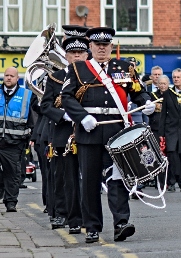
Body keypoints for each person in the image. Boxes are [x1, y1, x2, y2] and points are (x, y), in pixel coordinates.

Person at [61, 27, 155, 243]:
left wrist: (146, 102)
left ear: (111, 47)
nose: (101, 48)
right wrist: (81, 116)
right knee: (91, 181)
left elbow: (138, 91)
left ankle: (121, 223)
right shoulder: (78, 68)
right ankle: (92, 227)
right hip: (89, 131)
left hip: (117, 132)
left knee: (118, 179)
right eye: (97, 45)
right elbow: (66, 97)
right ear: (90, 47)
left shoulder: (125, 67)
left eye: (106, 45)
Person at [40, 30, 89, 233]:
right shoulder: (56, 77)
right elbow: (45, 105)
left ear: (87, 55)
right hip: (62, 133)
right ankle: (61, 214)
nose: (76, 56)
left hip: (87, 132)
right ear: (66, 56)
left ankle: (84, 215)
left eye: (80, 53)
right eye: (72, 53)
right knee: (63, 177)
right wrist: (64, 115)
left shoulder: (92, 75)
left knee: (86, 178)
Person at [1, 67, 35, 213]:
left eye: (12, 76)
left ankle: (10, 202)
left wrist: (32, 137)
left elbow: (33, 120)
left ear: (17, 78)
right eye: (6, 75)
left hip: (14, 143)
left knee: (13, 174)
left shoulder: (27, 95)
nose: (8, 78)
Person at [159, 69, 181, 193]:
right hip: (171, 129)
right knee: (172, 155)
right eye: (174, 77)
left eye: (178, 77)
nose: (176, 79)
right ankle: (171, 182)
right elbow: (163, 114)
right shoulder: (168, 93)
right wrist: (161, 134)